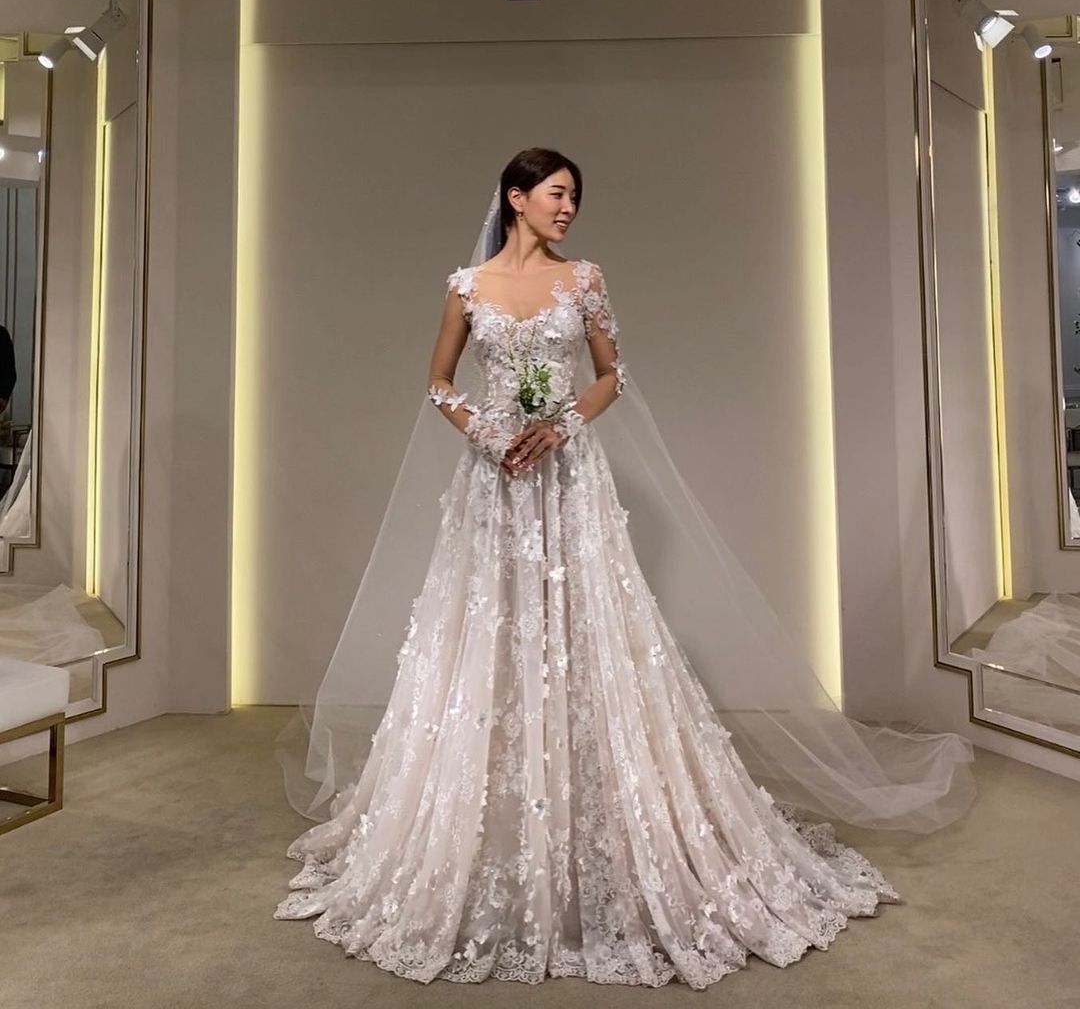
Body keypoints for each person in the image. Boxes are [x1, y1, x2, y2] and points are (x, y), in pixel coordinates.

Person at [274, 148, 976, 988]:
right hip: (495, 486)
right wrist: (486, 431)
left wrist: (562, 423)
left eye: (574, 196)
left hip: (569, 480)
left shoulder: (585, 281)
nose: (569, 208)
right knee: (489, 629)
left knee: (584, 627)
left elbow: (612, 374)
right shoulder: (465, 286)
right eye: (557, 194)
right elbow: (437, 381)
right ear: (516, 197)